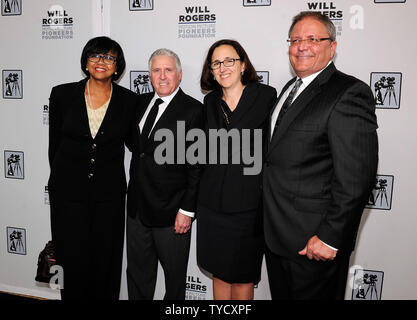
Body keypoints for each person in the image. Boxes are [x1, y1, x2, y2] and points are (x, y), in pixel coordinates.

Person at [263, 11, 379, 300]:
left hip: (314, 243)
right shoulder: (290, 88)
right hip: (277, 237)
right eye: (296, 39)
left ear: (332, 46)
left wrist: (330, 236)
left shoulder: (349, 92)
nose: (302, 46)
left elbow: (355, 178)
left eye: (313, 39)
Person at [48, 36, 138, 300]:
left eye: (110, 57)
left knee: (105, 261)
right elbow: (54, 147)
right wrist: (62, 183)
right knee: (69, 258)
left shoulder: (129, 101)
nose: (102, 62)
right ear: (86, 62)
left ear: (118, 66)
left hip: (108, 197)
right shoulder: (62, 94)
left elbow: (136, 145)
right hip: (67, 195)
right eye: (96, 56)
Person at [197, 39, 277, 300]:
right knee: (219, 273)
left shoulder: (266, 96)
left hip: (248, 208)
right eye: (216, 63)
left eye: (229, 60)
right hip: (212, 206)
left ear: (243, 64)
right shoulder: (209, 103)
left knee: (243, 278)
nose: (223, 67)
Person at [126, 48, 203, 300]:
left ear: (179, 75)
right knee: (137, 276)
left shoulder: (193, 110)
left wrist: (187, 210)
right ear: (149, 74)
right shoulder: (138, 103)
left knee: (174, 281)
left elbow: (197, 167)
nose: (162, 76)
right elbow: (139, 151)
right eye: (156, 70)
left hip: (172, 214)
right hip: (137, 210)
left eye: (168, 70)